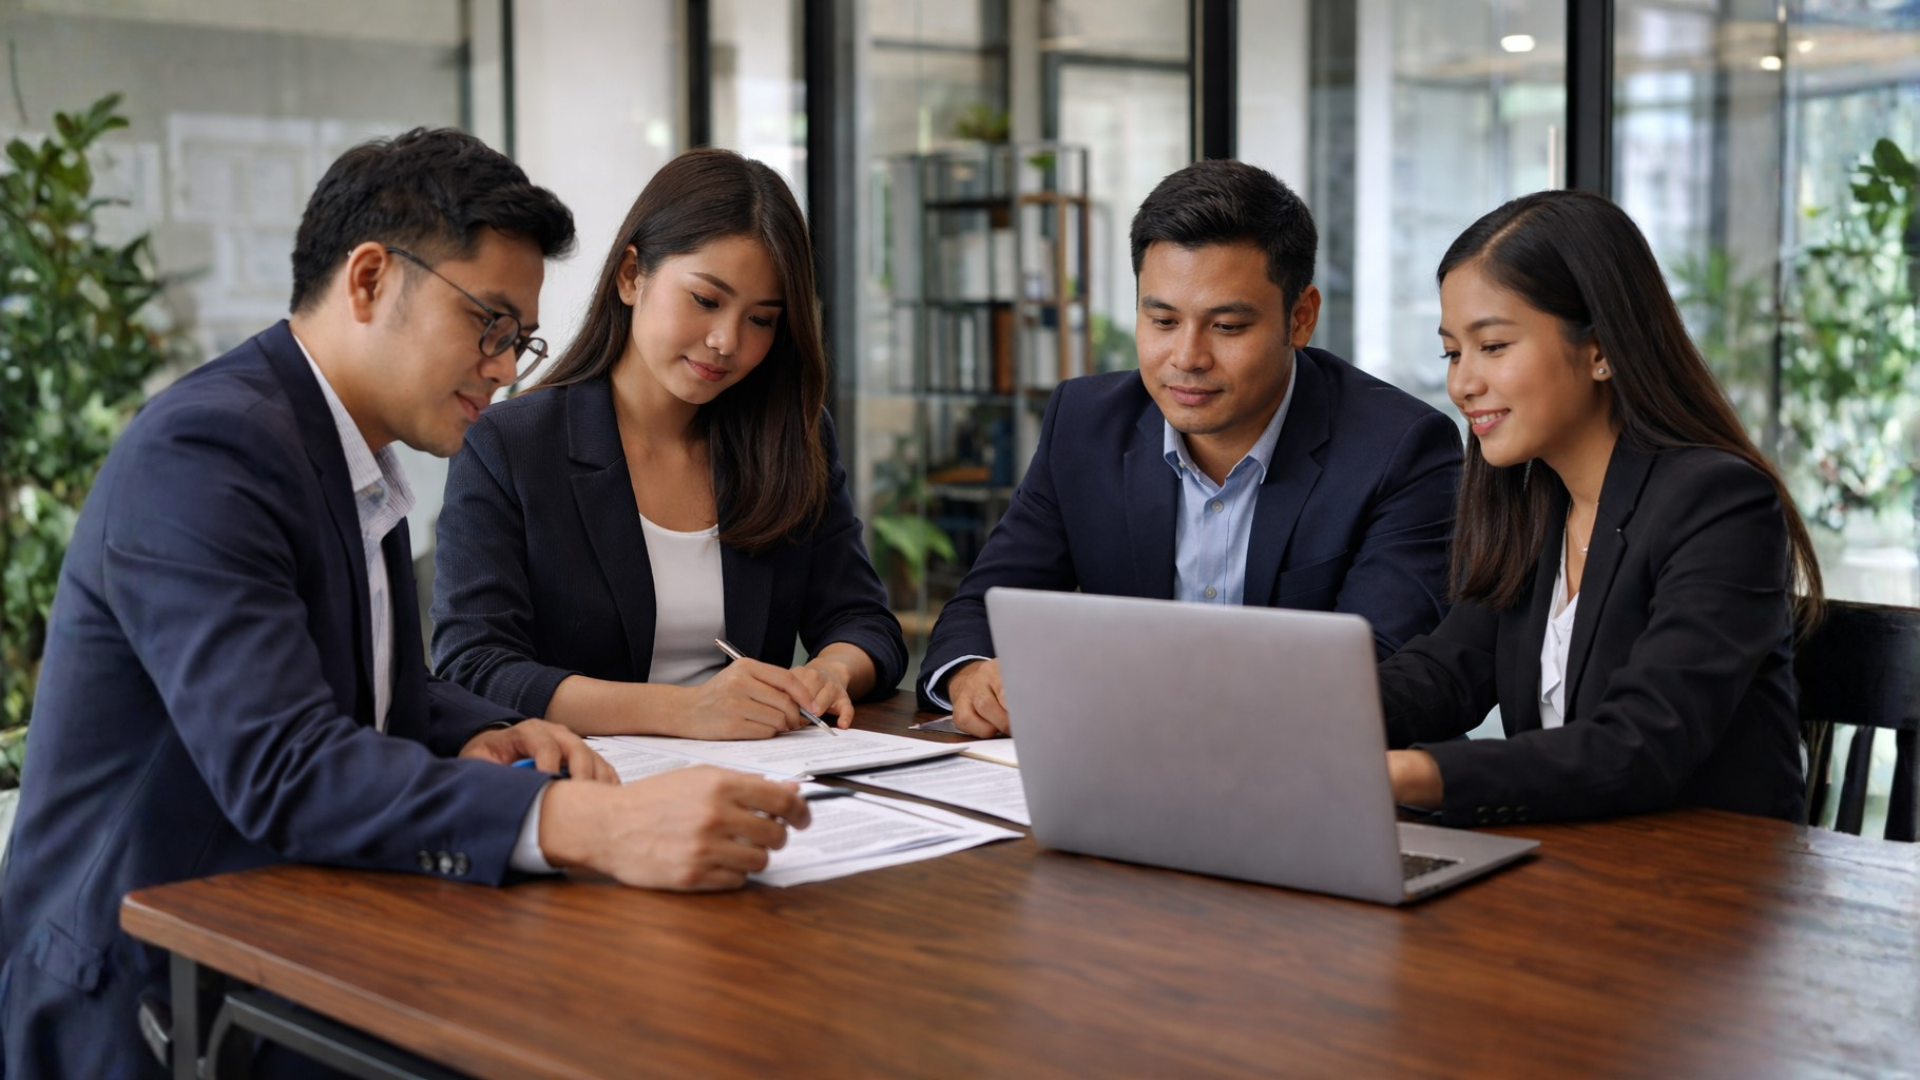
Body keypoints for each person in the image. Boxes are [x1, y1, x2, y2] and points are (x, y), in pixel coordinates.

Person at [0, 129, 812, 1079]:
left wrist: (487, 727)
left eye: (519, 339)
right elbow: (284, 763)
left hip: (296, 943)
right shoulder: (208, 452)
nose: (505, 368)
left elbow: (358, 681)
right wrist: (593, 823)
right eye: (490, 324)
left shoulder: (351, 451)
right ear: (370, 279)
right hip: (152, 996)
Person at [918, 159, 1463, 736]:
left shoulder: (1400, 448)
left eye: (1226, 327)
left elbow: (1377, 674)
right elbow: (981, 608)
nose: (1186, 358)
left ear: (1300, 318)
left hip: (1316, 769)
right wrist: (972, 674)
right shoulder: (1084, 424)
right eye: (1162, 320)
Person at [1378, 189, 1824, 826]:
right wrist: (1307, 716)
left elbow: (1641, 742)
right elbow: (1446, 673)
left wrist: (1416, 774)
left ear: (1601, 350)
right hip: (1570, 857)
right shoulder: (1535, 504)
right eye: (1452, 352)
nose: (1462, 383)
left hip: (1707, 872)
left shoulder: (1720, 502)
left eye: (1493, 346)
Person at [431, 148, 905, 740]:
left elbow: (863, 621)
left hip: (767, 770)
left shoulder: (790, 438)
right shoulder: (511, 445)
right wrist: (684, 710)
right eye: (706, 300)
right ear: (632, 275)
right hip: (592, 778)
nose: (727, 340)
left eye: (761, 319)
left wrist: (829, 672)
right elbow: (474, 666)